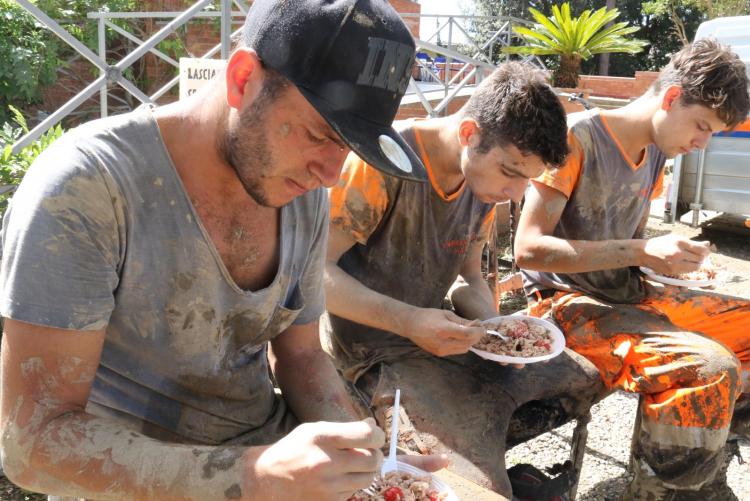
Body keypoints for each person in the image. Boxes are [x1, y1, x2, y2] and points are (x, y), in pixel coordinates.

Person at [0, 0, 448, 499]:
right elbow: (31, 444)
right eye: (320, 134)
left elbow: (300, 355)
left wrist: (364, 463)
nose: (330, 174)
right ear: (242, 79)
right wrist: (253, 477)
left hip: (267, 454)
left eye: (347, 148)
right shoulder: (87, 188)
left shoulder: (302, 194)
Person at [321, 62, 601, 496]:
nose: (514, 193)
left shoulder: (482, 182)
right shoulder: (384, 161)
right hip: (371, 352)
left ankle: (500, 465)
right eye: (511, 172)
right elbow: (315, 273)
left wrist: (496, 329)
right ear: (469, 133)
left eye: (525, 180)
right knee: (479, 491)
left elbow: (467, 276)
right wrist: (408, 321)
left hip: (436, 336)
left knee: (584, 379)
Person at [514, 38, 750, 500]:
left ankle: (705, 460)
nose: (701, 143)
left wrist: (668, 265)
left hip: (626, 294)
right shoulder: (576, 138)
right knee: (709, 367)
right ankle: (666, 493)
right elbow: (528, 249)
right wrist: (642, 251)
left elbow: (627, 247)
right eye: (701, 126)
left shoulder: (657, 152)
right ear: (670, 98)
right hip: (563, 305)